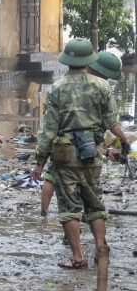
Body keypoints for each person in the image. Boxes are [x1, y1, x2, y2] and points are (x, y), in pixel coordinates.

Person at [31, 39, 129, 269]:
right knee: (95, 205)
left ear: (67, 60)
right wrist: (125, 142)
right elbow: (113, 124)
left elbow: (48, 130)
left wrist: (39, 161)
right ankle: (100, 250)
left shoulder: (57, 88)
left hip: (66, 159)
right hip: (92, 155)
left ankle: (77, 257)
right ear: (89, 61)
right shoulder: (102, 87)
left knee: (69, 209)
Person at [40, 50, 123, 216]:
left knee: (52, 175)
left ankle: (45, 215)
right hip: (85, 145)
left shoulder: (62, 84)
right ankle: (87, 220)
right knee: (85, 188)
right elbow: (107, 123)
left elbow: (51, 123)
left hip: (62, 143)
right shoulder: (101, 86)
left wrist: (42, 154)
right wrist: (123, 140)